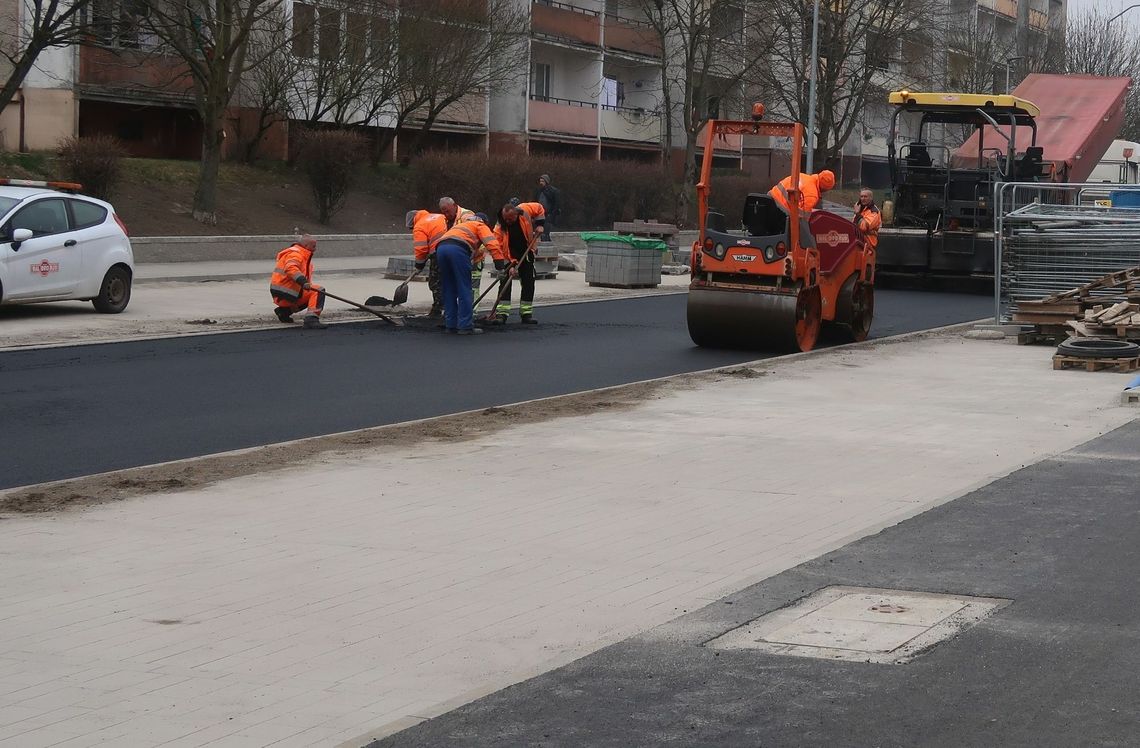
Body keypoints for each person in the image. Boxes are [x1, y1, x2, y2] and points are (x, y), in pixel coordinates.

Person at [425, 213, 507, 335]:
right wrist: (500, 267)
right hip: (457, 250)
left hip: (441, 249)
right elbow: (492, 245)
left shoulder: (461, 226)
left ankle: (450, 324)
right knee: (464, 288)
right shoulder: (480, 225)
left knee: (448, 288)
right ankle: (465, 326)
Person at [492, 201, 545, 324]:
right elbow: (498, 248)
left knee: (528, 282)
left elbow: (540, 208)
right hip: (508, 255)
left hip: (525, 252)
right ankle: (502, 314)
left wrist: (540, 224)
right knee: (505, 283)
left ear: (516, 214)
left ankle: (526, 313)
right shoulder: (499, 227)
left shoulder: (525, 210)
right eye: (506, 219)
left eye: (511, 219)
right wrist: (508, 264)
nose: (508, 221)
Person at [270, 232, 327, 329]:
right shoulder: (296, 254)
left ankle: (284, 312)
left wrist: (305, 284)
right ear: (306, 245)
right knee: (319, 291)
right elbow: (291, 268)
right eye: (313, 246)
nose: (315, 249)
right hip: (286, 294)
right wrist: (304, 282)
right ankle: (311, 319)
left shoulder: (301, 255)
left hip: (284, 294)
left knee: (311, 295)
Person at [438, 196, 480, 306]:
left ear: (454, 206)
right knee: (458, 285)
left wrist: (473, 255)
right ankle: (460, 312)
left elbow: (477, 235)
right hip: (460, 256)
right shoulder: (447, 220)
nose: (446, 214)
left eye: (447, 211)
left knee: (471, 285)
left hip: (475, 256)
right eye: (444, 212)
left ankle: (472, 310)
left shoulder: (467, 216)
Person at [407, 209, 448, 316]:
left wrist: (419, 265)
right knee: (449, 280)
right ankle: (451, 308)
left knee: (435, 282)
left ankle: (438, 309)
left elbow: (421, 248)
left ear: (413, 222)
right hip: (456, 248)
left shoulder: (419, 226)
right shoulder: (439, 216)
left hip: (439, 252)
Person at [768, 169, 836, 213]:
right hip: (780, 209)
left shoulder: (802, 176)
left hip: (769, 198)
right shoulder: (812, 195)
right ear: (824, 189)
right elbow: (802, 217)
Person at [534, 174, 560, 242]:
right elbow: (535, 201)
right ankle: (544, 239)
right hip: (539, 213)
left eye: (542, 181)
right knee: (541, 228)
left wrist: (552, 213)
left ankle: (546, 239)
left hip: (549, 213)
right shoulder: (538, 191)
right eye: (540, 181)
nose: (541, 183)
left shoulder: (553, 191)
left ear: (546, 182)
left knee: (547, 228)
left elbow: (556, 203)